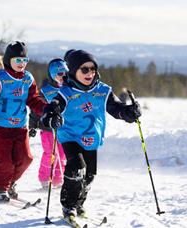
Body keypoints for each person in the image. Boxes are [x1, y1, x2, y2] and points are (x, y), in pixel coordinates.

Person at [41, 50, 142, 219]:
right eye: (84, 70)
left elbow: (116, 108)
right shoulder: (65, 92)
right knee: (77, 167)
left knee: (89, 176)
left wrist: (129, 112)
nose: (90, 73)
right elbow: (52, 108)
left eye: (92, 69)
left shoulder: (102, 90)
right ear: (73, 71)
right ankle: (69, 205)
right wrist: (50, 117)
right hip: (71, 137)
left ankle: (79, 203)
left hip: (91, 138)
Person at [0, 41, 47, 201]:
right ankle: (0, 188)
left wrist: (45, 109)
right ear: (9, 60)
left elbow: (34, 99)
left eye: (24, 60)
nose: (22, 64)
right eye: (18, 60)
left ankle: (10, 182)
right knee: (5, 161)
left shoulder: (27, 78)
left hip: (20, 127)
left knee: (25, 159)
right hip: (0, 127)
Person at [29, 58, 68, 189]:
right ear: (52, 75)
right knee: (51, 153)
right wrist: (32, 126)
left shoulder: (69, 89)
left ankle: (58, 178)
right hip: (48, 128)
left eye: (65, 73)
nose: (63, 77)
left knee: (62, 154)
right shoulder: (45, 91)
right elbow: (36, 110)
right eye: (59, 74)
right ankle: (45, 178)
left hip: (64, 128)